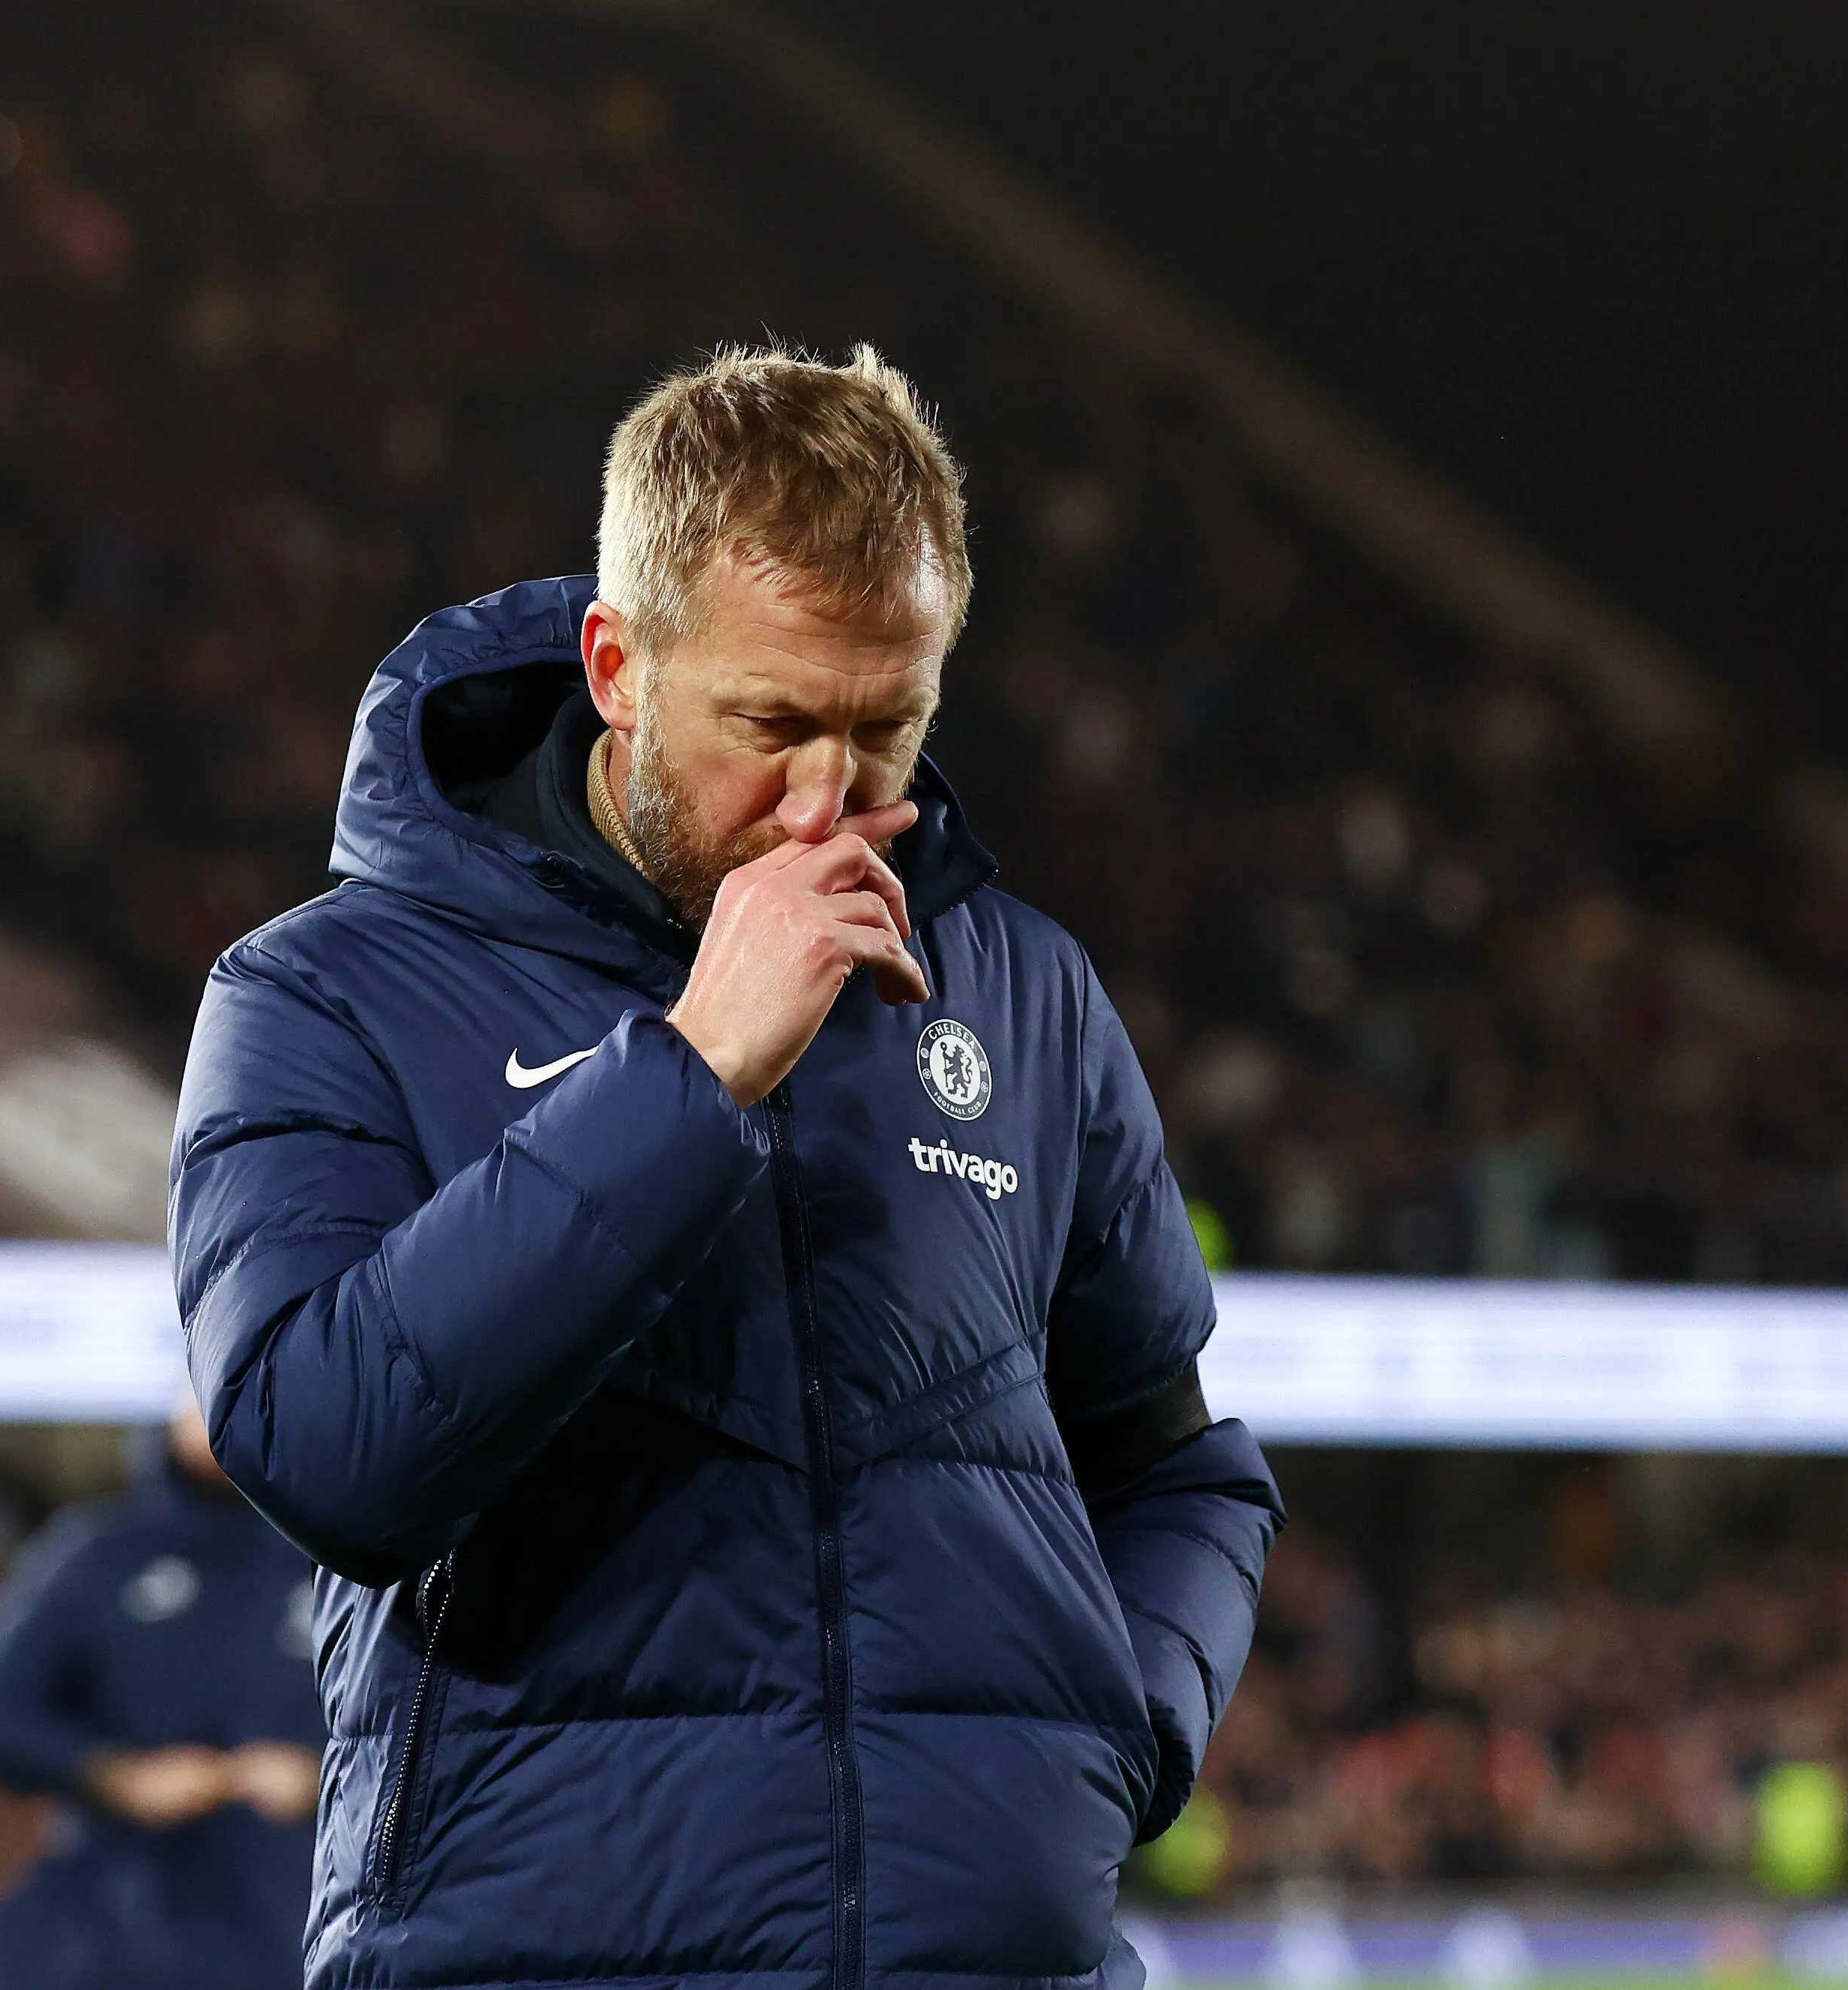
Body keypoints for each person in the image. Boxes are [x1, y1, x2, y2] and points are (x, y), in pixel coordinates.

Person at [169, 345, 1284, 1990]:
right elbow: (327, 1449)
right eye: (767, 724)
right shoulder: (324, 991)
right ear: (617, 665)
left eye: (883, 729)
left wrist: (1112, 1738)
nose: (823, 803)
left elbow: (1179, 1465)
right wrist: (692, 1069)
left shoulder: (1022, 990)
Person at [0, 1403, 324, 1990]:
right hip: (121, 1919)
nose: (218, 1406)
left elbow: (416, 1719)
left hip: (292, 1925)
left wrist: (324, 1775)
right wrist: (113, 1774)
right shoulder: (99, 1553)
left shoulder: (335, 1559)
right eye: (197, 1390)